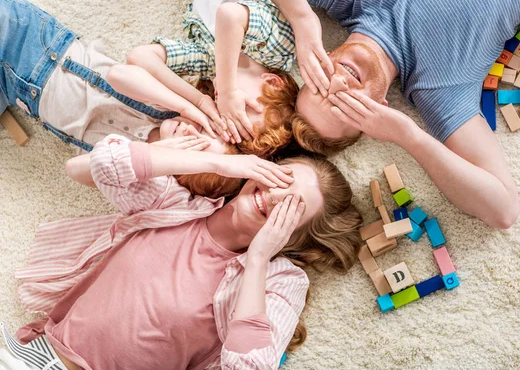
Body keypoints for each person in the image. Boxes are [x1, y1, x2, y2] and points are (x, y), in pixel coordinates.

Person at [239, 0, 520, 229]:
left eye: (318, 84)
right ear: (376, 113)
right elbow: (502, 210)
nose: (337, 84)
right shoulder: (439, 90)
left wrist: (302, 19)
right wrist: (408, 135)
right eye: (344, 105)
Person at [1, 134, 363, 369]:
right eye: (281, 178)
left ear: (297, 235)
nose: (276, 195)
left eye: (293, 206)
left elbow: (249, 365)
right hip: (38, 354)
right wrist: (217, 164)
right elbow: (94, 165)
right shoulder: (175, 204)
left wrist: (257, 260)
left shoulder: (280, 280)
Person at [0, 0, 297, 198]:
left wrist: (165, 155)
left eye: (192, 147)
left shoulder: (135, 169)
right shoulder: (163, 107)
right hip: (36, 46)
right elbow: (120, 75)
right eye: (204, 129)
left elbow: (79, 171)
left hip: (13, 89)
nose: (189, 132)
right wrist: (193, 105)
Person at [120, 0, 298, 144]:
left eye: (227, 115)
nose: (226, 106)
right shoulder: (278, 51)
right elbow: (229, 15)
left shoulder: (211, 65)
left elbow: (139, 58)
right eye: (242, 106)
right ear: (273, 83)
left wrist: (199, 100)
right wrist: (229, 91)